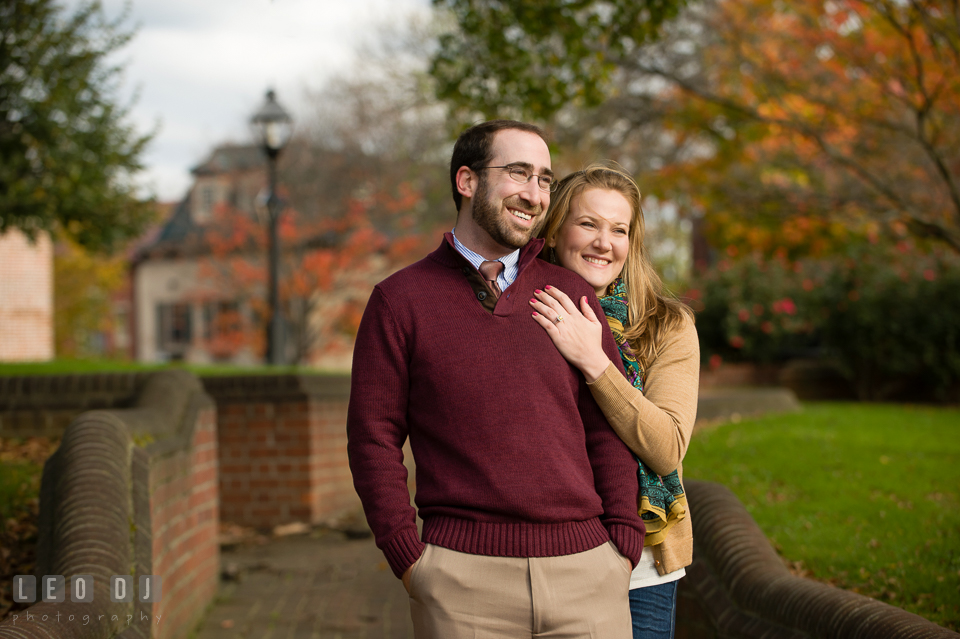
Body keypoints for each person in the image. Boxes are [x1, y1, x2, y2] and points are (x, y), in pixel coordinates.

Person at [347, 121, 646, 639]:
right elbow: (373, 437)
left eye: (545, 180)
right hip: (462, 583)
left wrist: (621, 542)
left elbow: (605, 427)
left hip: (588, 576)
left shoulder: (571, 292)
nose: (534, 194)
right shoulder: (400, 301)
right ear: (467, 181)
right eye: (518, 173)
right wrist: (408, 557)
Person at [529, 163, 699, 639]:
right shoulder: (528, 309)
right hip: (547, 550)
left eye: (619, 229)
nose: (604, 242)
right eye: (588, 224)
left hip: (643, 564)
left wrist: (594, 360)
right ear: (557, 230)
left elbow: (666, 447)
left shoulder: (667, 325)